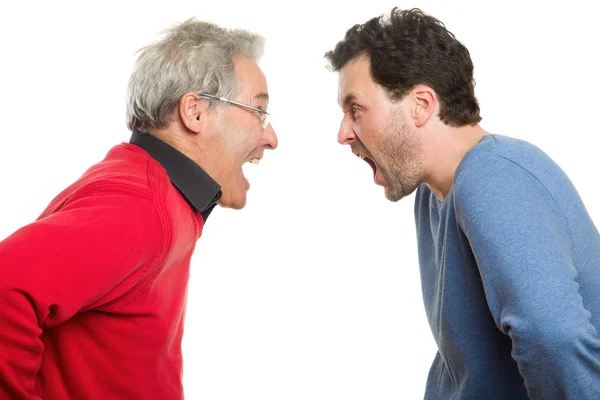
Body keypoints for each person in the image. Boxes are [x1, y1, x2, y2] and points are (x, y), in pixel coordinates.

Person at [325, 7, 600, 400]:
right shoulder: (432, 194)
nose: (343, 133)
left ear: (421, 104)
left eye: (356, 110)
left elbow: (552, 335)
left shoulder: (493, 176)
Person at [0, 18, 277, 400]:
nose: (271, 137)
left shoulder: (154, 193)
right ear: (194, 112)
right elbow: (6, 283)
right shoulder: (140, 207)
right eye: (258, 111)